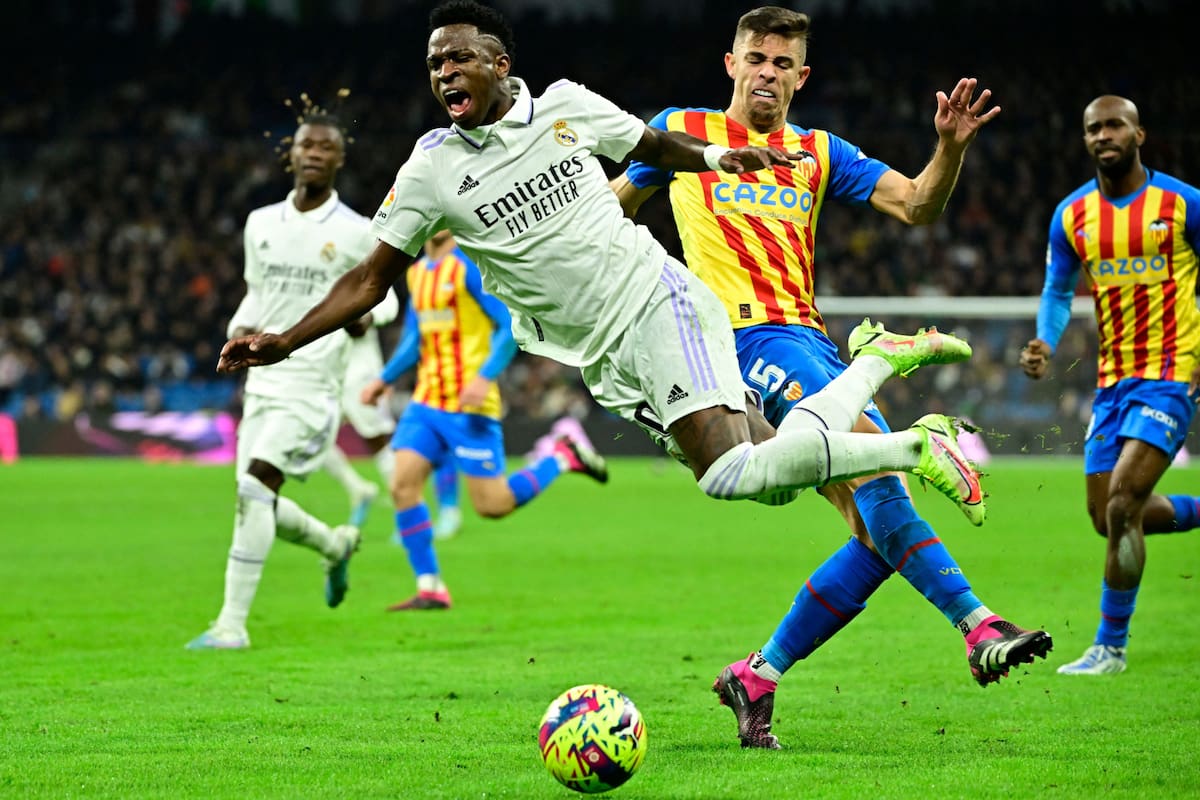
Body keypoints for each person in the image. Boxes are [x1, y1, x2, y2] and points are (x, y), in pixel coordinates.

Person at [217, 1, 985, 592]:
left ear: (498, 62)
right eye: (433, 64)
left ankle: (907, 439)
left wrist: (718, 156)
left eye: (459, 58)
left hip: (656, 301)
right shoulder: (429, 171)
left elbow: (653, 148)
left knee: (727, 473)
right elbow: (369, 280)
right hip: (603, 356)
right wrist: (283, 339)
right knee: (766, 479)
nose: (444, 73)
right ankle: (883, 374)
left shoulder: (565, 107)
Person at [613, 6, 1051, 747]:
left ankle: (758, 674)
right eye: (757, 58)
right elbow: (611, 215)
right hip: (742, 342)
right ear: (731, 63)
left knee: (876, 532)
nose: (768, 74)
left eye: (783, 64)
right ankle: (979, 626)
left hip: (811, 344)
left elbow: (916, 204)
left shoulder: (819, 151)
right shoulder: (682, 130)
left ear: (801, 76)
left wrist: (949, 149)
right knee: (881, 481)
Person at [186, 112, 386, 650]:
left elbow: (379, 301)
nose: (316, 153)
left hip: (312, 383)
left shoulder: (357, 230)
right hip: (262, 383)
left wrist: (362, 318)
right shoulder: (260, 224)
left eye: (327, 147)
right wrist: (240, 329)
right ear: (291, 154)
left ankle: (231, 625)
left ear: (340, 160)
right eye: (307, 145)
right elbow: (257, 293)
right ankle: (333, 543)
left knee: (254, 487)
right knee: (254, 499)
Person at [1021, 95, 1200, 676]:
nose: (1104, 134)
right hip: (1113, 381)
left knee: (1124, 500)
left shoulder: (1182, 204)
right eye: (1094, 127)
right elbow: (1056, 290)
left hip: (1173, 372)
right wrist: (1046, 340)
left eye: (1115, 124)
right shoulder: (1072, 215)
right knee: (1108, 517)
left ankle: (1109, 646)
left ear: (1139, 134)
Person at [359, 230, 608, 610]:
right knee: (402, 485)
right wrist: (385, 378)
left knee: (493, 505)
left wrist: (483, 377)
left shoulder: (469, 266)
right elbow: (415, 337)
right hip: (427, 400)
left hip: (469, 403)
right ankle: (430, 587)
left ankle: (561, 456)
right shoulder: (418, 271)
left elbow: (510, 326)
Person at [321, 286, 402, 530]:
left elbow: (389, 302)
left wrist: (370, 317)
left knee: (377, 440)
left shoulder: (362, 255)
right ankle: (358, 488)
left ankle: (405, 513)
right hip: (324, 370)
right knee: (311, 439)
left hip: (361, 371)